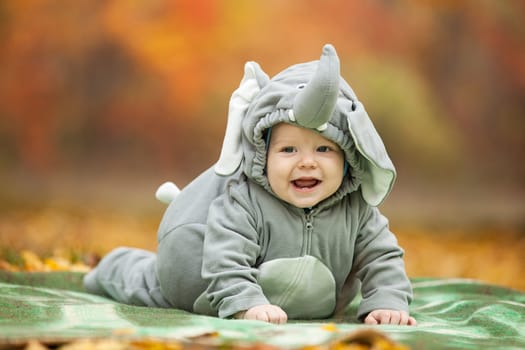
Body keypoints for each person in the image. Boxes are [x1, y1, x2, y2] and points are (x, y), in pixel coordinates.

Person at [84, 44, 416, 326]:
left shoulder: (357, 209)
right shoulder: (245, 199)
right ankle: (112, 265)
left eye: (324, 149)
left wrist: (387, 300)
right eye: (288, 149)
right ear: (263, 155)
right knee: (147, 284)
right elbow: (223, 257)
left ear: (348, 159)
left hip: (311, 303)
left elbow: (382, 256)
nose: (307, 162)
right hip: (206, 290)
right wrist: (247, 304)